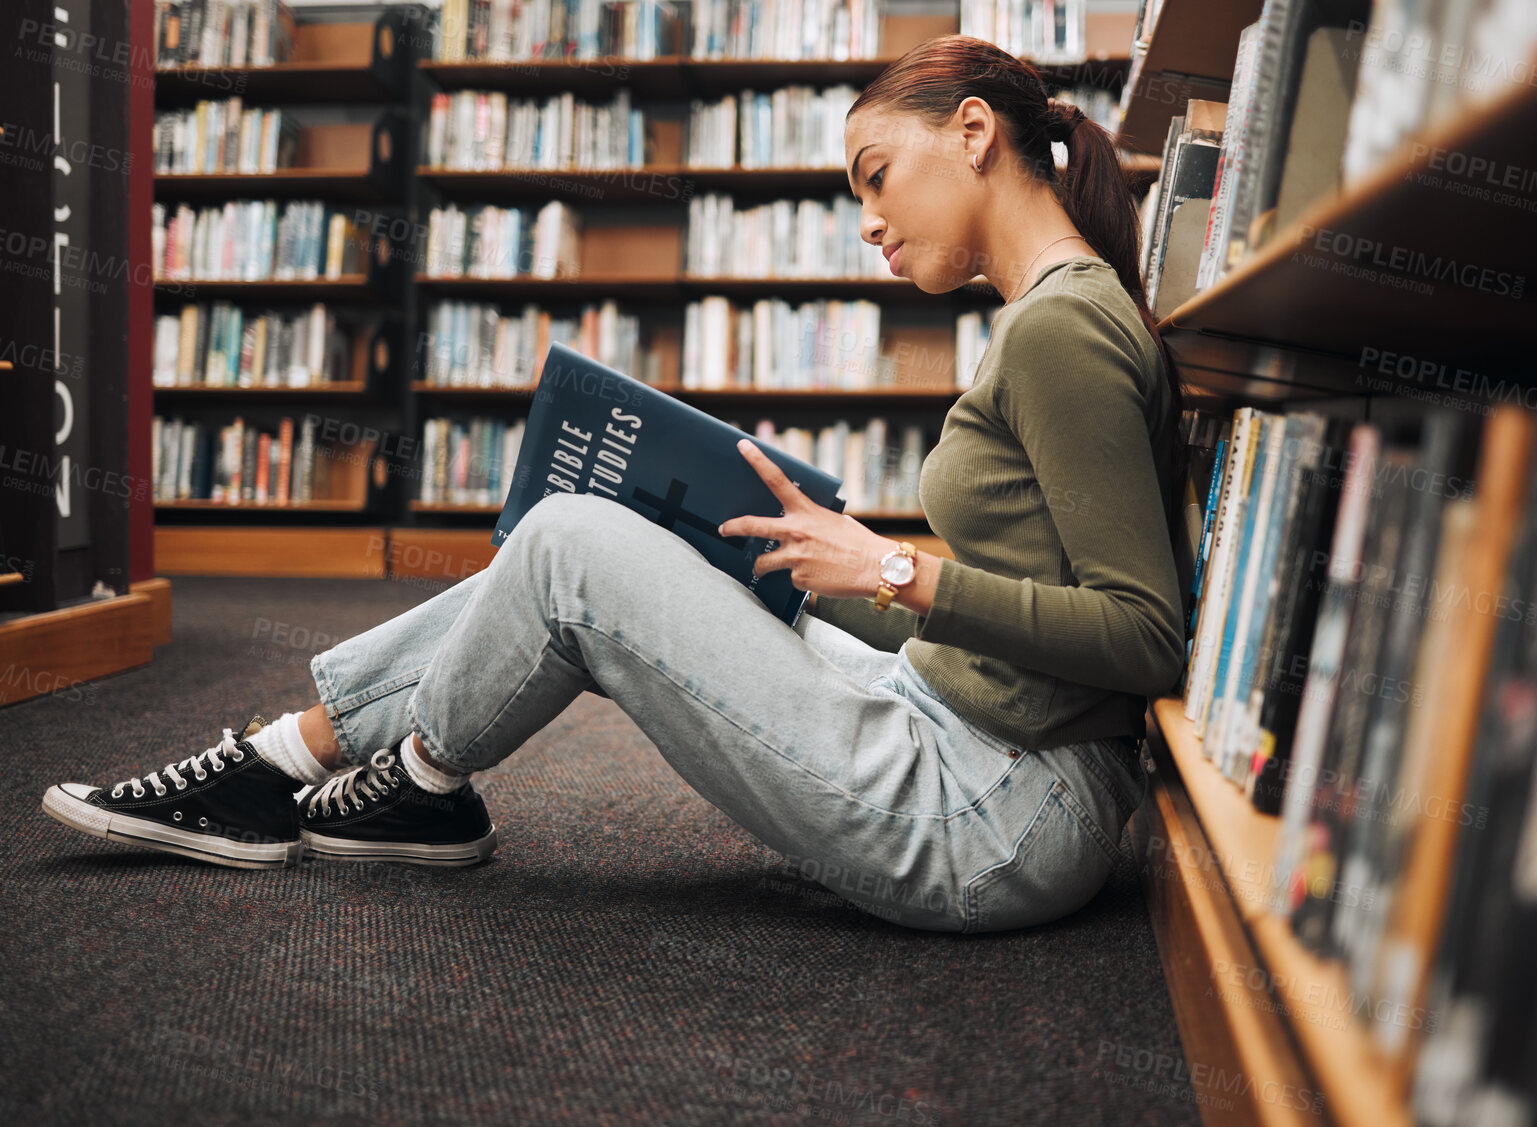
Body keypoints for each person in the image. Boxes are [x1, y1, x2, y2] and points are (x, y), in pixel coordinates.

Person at [40, 35, 1189, 933]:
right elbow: (1024, 598)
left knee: (573, 544)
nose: (867, 222)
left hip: (999, 811)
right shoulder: (1053, 317)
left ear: (976, 133)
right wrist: (823, 558)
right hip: (959, 726)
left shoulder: (1060, 330)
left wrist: (895, 571)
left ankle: (382, 774)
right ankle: (307, 758)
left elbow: (1146, 638)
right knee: (645, 522)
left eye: (875, 176)